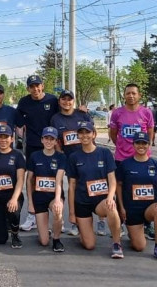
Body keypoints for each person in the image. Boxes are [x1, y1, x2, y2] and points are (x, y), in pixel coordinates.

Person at [67, 121, 123, 259]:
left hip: (101, 200)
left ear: (94, 134)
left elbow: (112, 179)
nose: (84, 135)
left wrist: (110, 197)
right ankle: (83, 230)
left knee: (111, 207)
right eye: (81, 133)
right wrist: (72, 213)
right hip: (82, 201)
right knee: (89, 245)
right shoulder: (74, 157)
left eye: (88, 132)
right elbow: (72, 185)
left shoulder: (104, 153)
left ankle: (116, 243)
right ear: (78, 135)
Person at [109, 83, 154, 239]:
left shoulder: (147, 113)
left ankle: (146, 224)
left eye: (134, 93)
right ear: (125, 95)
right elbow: (113, 134)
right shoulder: (117, 113)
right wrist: (123, 147)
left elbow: (150, 134)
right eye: (128, 93)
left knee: (144, 191)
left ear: (139, 95)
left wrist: (143, 151)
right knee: (120, 190)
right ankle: (120, 222)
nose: (131, 96)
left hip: (142, 160)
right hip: (121, 159)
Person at [116, 132, 157, 261]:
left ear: (149, 145)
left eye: (144, 143)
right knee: (139, 246)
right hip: (132, 210)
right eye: (138, 143)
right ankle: (136, 231)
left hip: (149, 207)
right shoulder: (125, 164)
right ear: (133, 144)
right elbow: (118, 186)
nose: (141, 146)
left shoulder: (156, 165)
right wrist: (121, 208)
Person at [16, 75, 59, 232]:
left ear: (43, 85)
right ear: (28, 88)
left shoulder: (53, 101)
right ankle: (32, 215)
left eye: (38, 85)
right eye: (32, 86)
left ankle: (53, 216)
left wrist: (81, 112)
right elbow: (17, 123)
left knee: (53, 180)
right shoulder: (24, 102)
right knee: (32, 180)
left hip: (51, 146)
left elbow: (66, 112)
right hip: (33, 146)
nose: (35, 89)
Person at [48, 89, 92, 236]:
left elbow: (92, 134)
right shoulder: (55, 118)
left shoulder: (82, 114)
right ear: (59, 101)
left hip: (85, 158)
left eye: (69, 99)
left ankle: (93, 221)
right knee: (70, 189)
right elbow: (55, 139)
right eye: (63, 99)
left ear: (74, 101)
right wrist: (60, 153)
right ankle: (70, 221)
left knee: (87, 189)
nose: (67, 102)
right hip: (67, 160)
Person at [25, 127, 67, 252]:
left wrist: (58, 200)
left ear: (56, 142)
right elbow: (29, 180)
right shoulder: (34, 156)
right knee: (43, 242)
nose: (49, 141)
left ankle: (56, 239)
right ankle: (46, 232)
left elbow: (59, 180)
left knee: (57, 210)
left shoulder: (61, 157)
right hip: (39, 198)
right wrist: (30, 203)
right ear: (42, 140)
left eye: (52, 139)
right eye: (46, 138)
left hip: (54, 196)